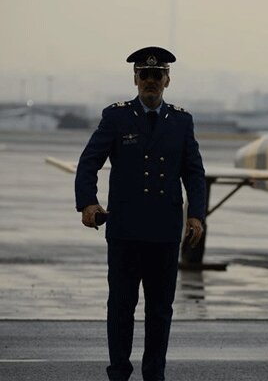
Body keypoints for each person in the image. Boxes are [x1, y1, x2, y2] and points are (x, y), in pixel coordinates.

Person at [75, 46, 206, 381]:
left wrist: (197, 216)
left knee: (160, 311)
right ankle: (119, 372)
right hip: (125, 230)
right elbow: (90, 162)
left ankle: (154, 375)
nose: (151, 81)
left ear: (167, 80)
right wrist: (87, 202)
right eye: (144, 75)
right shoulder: (116, 117)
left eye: (157, 75)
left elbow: (193, 173)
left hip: (163, 231)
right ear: (135, 79)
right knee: (120, 307)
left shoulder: (181, 121)